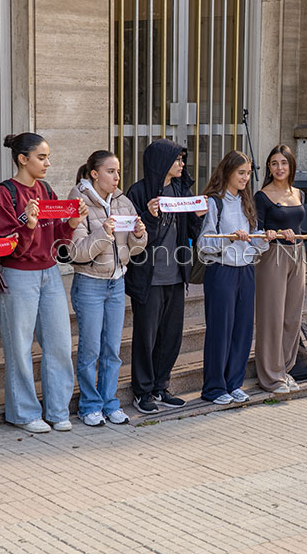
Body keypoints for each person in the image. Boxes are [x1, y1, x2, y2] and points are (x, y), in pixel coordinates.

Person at [0, 133, 86, 433]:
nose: (47, 163)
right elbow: (9, 244)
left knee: (59, 343)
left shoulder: (45, 189)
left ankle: (58, 410)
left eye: (47, 157)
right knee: (18, 345)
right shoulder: (5, 193)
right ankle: (24, 413)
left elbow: (57, 236)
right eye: (41, 157)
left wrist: (71, 223)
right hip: (18, 273)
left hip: (49, 272)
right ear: (23, 159)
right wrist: (28, 225)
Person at [125, 139, 205, 414]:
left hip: (175, 275)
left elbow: (193, 232)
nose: (183, 164)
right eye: (177, 160)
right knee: (146, 337)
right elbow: (135, 237)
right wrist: (150, 215)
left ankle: (161, 385)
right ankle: (143, 391)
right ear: (162, 162)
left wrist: (198, 216)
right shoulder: (138, 192)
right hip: (148, 276)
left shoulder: (182, 190)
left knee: (171, 336)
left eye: (183, 159)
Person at [69, 150, 147, 427]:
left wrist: (139, 235)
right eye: (110, 171)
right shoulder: (78, 202)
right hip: (90, 283)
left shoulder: (123, 202)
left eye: (117, 172)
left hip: (117, 282)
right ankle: (89, 405)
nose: (116, 177)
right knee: (90, 350)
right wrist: (104, 233)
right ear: (94, 174)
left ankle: (109, 402)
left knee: (112, 349)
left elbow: (133, 250)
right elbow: (76, 252)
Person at [198, 150, 270, 405]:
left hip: (246, 270)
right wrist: (229, 238)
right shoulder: (213, 202)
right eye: (241, 173)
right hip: (222, 271)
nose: (245, 178)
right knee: (221, 329)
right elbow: (204, 243)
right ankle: (214, 388)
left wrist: (264, 237)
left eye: (248, 173)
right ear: (227, 171)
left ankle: (234, 383)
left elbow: (255, 242)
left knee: (242, 328)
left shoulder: (246, 202)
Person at [254, 145, 307, 394]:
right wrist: (269, 234)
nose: (279, 168)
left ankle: (284, 369)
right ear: (269, 167)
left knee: (292, 317)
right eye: (274, 163)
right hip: (273, 256)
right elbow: (257, 232)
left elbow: (299, 228)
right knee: (271, 317)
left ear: (291, 165)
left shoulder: (298, 193)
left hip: (298, 254)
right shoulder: (262, 196)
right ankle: (270, 377)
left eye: (283, 163)